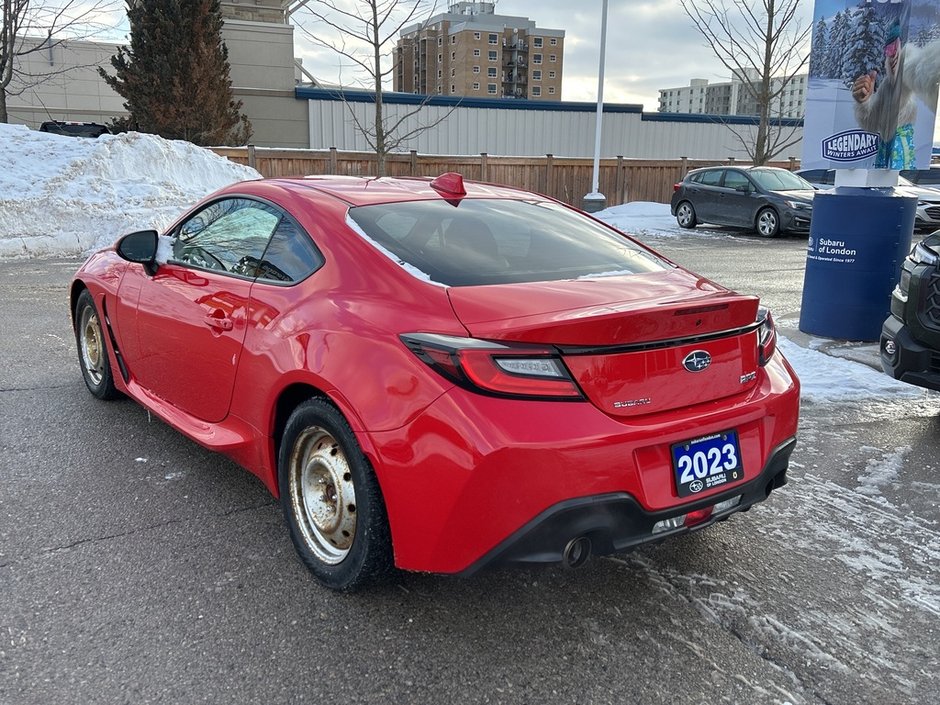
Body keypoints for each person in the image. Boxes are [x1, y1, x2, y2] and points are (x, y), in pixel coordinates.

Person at [852, 19, 940, 169]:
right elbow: (872, 122)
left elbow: (921, 71)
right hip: (884, 149)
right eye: (888, 51)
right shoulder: (887, 86)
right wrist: (864, 102)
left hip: (902, 149)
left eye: (895, 48)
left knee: (901, 186)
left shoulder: (908, 69)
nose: (892, 56)